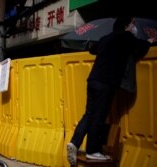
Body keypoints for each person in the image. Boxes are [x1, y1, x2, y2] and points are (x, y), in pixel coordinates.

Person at [66, 16, 156, 166]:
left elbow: (93, 50)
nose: (134, 26)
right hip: (106, 83)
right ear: (127, 26)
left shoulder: (106, 38)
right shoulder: (126, 37)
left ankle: (75, 142)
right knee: (99, 116)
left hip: (93, 80)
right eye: (133, 23)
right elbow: (141, 46)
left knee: (89, 114)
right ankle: (93, 151)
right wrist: (149, 42)